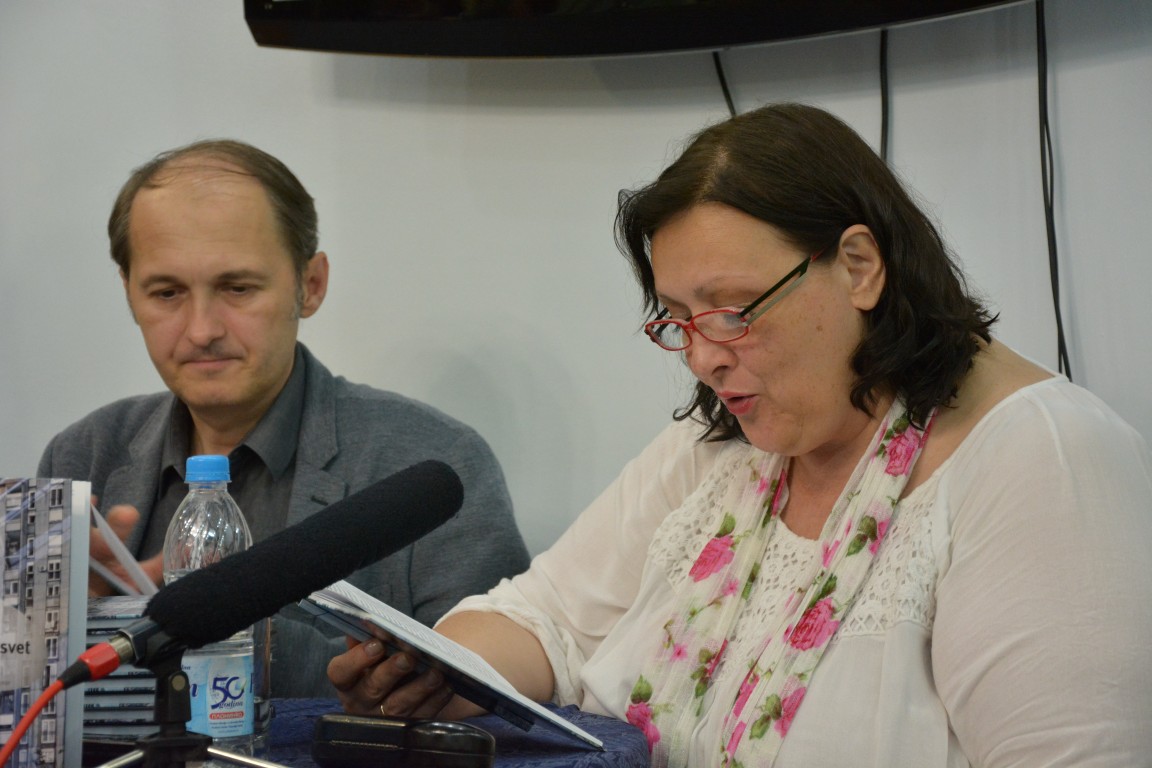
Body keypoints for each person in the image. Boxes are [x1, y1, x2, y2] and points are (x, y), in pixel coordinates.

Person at [326, 103, 1152, 765]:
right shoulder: (724, 448)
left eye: (731, 311)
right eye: (678, 320)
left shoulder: (1041, 459)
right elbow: (548, 620)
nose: (704, 358)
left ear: (859, 267)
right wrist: (435, 675)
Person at [38, 139, 530, 698]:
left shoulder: (435, 462)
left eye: (237, 288)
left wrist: (201, 632)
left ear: (310, 285)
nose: (202, 330)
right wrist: (65, 629)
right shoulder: (84, 456)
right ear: (129, 294)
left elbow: (479, 702)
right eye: (167, 292)